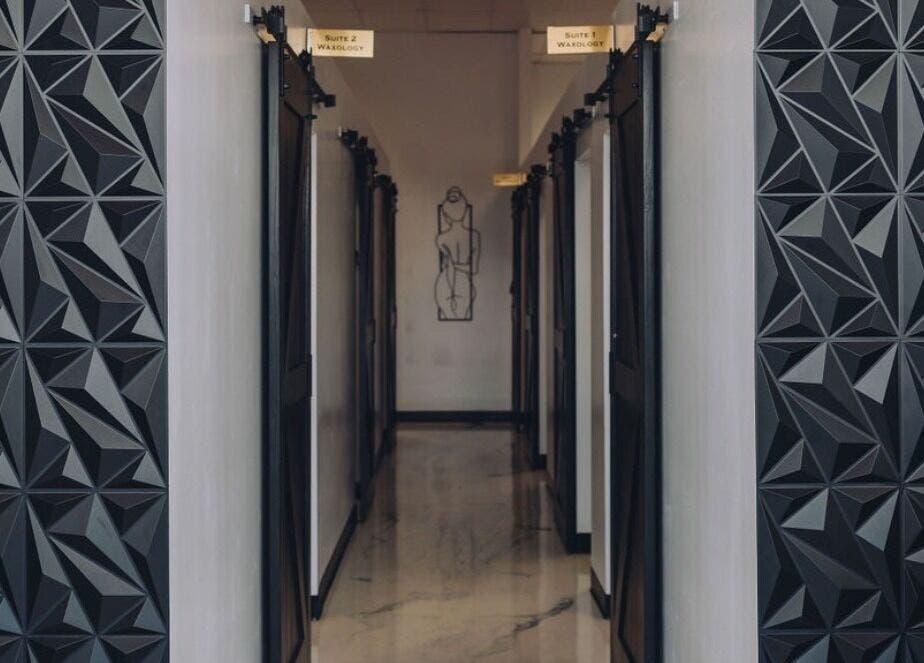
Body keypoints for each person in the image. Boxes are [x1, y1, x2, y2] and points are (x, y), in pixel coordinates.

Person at [435, 186, 481, 320]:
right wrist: (457, 265)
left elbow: (446, 265)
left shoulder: (441, 238)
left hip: (445, 282)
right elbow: (474, 269)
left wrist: (452, 264)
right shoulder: (474, 236)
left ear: (446, 215)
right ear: (465, 211)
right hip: (463, 284)